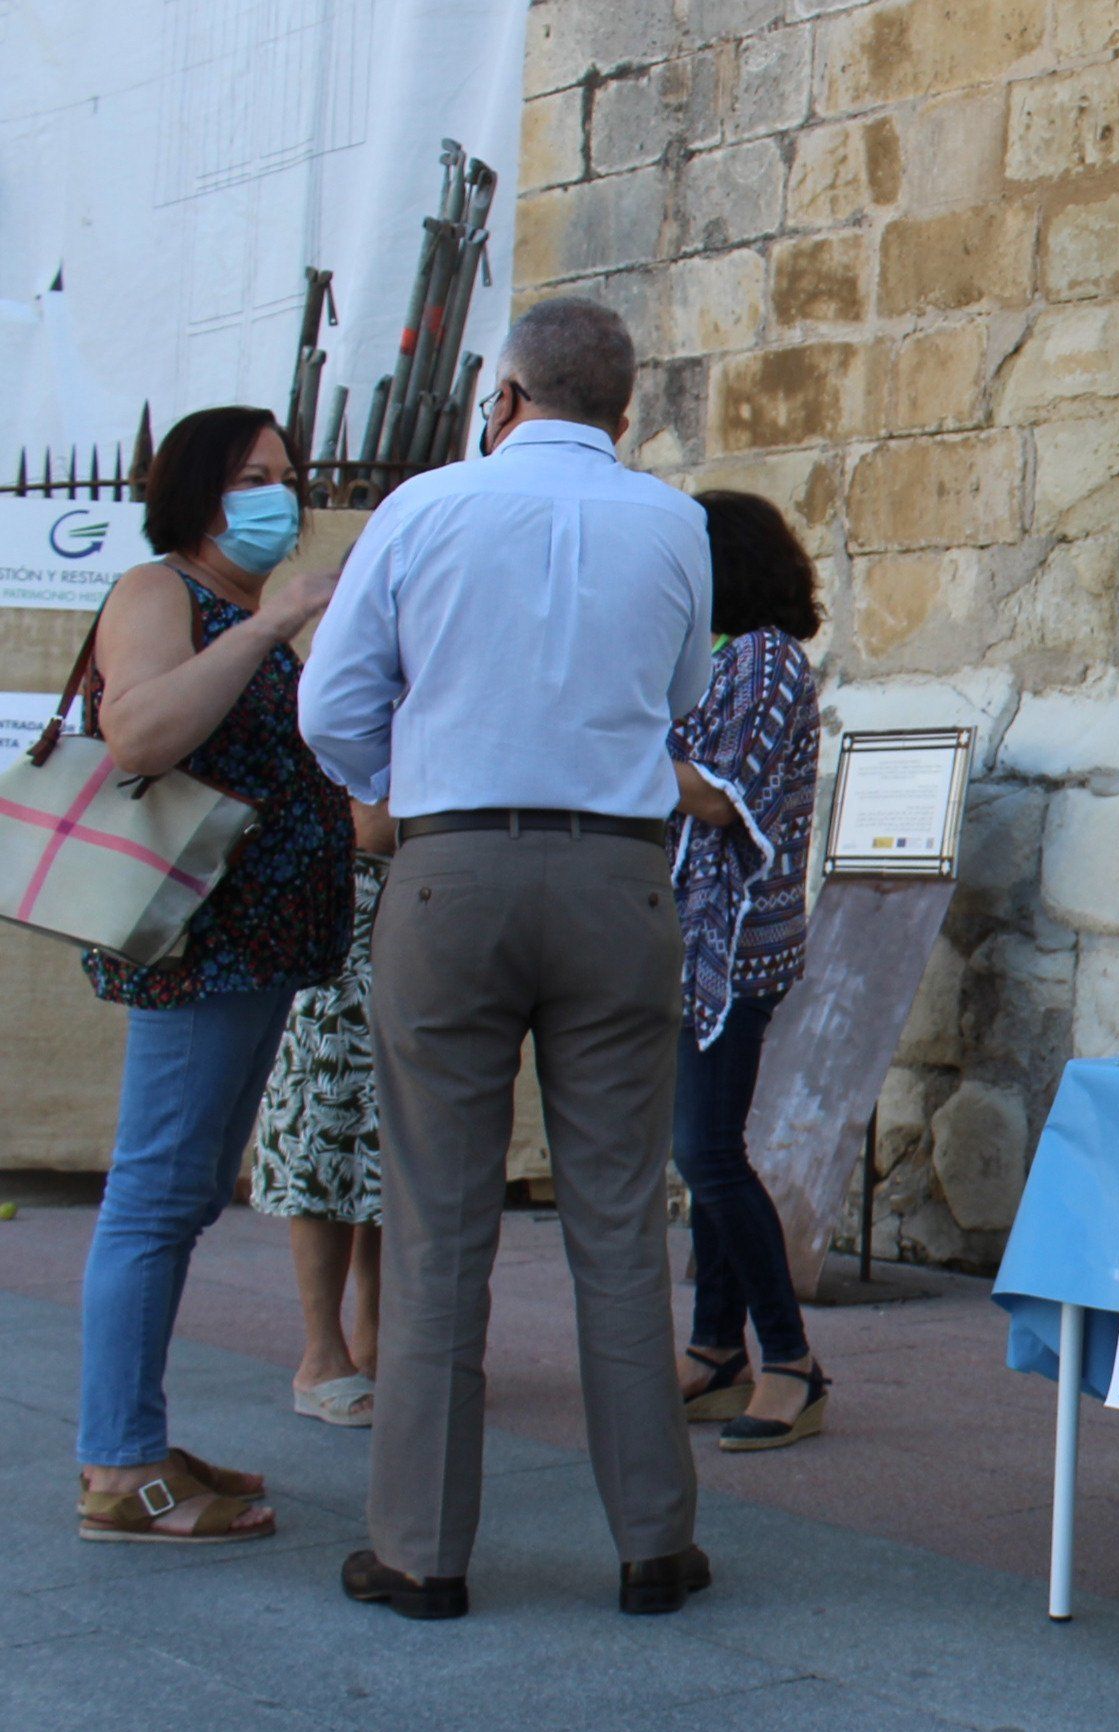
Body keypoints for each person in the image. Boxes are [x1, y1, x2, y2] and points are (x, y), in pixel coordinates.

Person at [298, 297, 714, 1620]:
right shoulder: (676, 522)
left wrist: (405, 785)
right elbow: (682, 692)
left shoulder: (425, 506)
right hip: (615, 869)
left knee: (438, 1222)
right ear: (624, 405)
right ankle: (654, 1538)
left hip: (453, 865)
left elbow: (333, 705)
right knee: (616, 1218)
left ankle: (421, 1548)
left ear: (505, 392)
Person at [72, 405, 352, 1544]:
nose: (276, 495)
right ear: (197, 491)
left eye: (286, 476)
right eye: (250, 476)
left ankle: (134, 1435)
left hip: (260, 952)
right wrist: (267, 625)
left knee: (183, 1200)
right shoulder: (161, 594)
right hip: (199, 948)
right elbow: (139, 733)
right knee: (151, 1199)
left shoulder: (243, 611)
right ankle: (116, 1467)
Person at [667, 488, 827, 1453]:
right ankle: (715, 1351)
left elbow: (719, 800)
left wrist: (604, 740)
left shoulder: (766, 659)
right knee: (707, 1148)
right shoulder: (720, 658)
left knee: (709, 1154)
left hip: (736, 947)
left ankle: (794, 1362)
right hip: (694, 940)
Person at [251, 797, 396, 1426]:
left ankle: (375, 1338)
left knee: (397, 1144)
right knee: (325, 1128)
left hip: (415, 912)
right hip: (344, 912)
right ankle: (321, 1357)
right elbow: (370, 823)